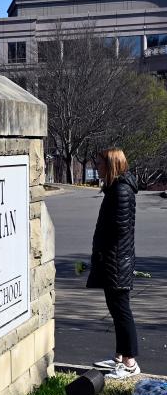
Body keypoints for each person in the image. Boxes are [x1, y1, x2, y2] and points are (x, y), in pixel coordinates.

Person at [87, 148, 140, 379]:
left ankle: (130, 363)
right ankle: (120, 357)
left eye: (100, 164)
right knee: (116, 307)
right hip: (114, 260)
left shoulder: (120, 191)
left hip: (117, 261)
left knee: (121, 310)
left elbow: (118, 230)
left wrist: (101, 253)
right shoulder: (115, 189)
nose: (97, 167)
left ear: (112, 165)